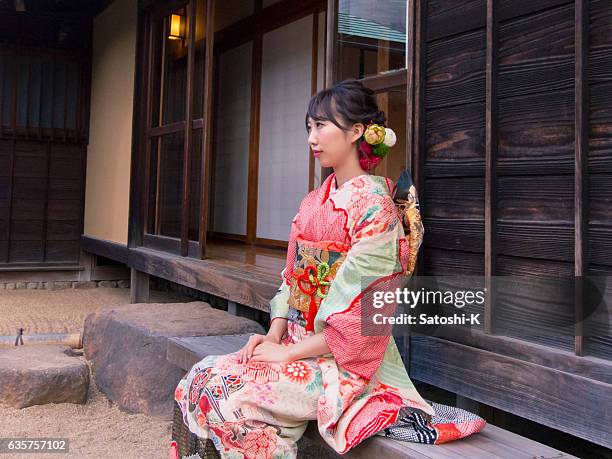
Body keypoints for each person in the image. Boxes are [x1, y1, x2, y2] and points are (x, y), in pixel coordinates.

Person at [171, 79, 486, 459]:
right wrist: (274, 337)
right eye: (309, 127)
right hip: (296, 347)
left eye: (321, 126)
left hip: (345, 364)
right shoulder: (312, 203)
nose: (312, 138)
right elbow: (291, 281)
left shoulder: (377, 210)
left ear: (356, 132)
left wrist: (288, 356)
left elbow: (361, 319)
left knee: (229, 398)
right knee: (200, 377)